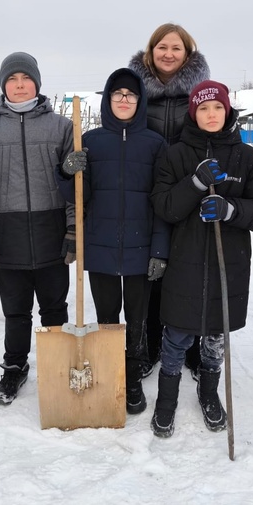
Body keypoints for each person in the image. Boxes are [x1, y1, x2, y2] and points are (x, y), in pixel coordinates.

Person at [149, 80, 253, 438]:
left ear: (227, 110)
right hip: (185, 262)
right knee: (176, 336)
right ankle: (166, 401)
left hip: (227, 263)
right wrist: (196, 184)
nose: (211, 114)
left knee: (216, 335)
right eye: (203, 108)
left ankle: (209, 393)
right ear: (193, 113)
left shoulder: (247, 158)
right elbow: (165, 206)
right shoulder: (175, 155)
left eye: (217, 107)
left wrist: (231, 208)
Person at [0, 52, 74, 406]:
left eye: (26, 78)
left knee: (55, 308)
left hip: (51, 231)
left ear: (37, 84)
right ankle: (14, 367)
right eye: (13, 79)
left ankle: (58, 365)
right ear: (3, 85)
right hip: (6, 233)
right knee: (16, 311)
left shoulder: (62, 128)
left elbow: (75, 185)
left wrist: (73, 230)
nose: (20, 84)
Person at [56, 68, 171, 415]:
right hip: (101, 247)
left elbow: (162, 202)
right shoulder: (90, 141)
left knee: (138, 318)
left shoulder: (155, 144)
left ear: (140, 101)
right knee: (107, 315)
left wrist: (159, 250)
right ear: (108, 99)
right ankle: (111, 371)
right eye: (118, 94)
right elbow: (81, 196)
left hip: (141, 248)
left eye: (131, 95)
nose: (124, 100)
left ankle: (133, 376)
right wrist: (67, 172)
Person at [129, 23, 211, 379]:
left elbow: (216, 128)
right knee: (148, 272)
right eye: (162, 47)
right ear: (150, 51)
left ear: (187, 54)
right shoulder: (133, 92)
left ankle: (188, 345)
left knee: (185, 270)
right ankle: (148, 344)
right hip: (142, 192)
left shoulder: (200, 94)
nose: (168, 54)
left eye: (176, 48)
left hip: (187, 191)